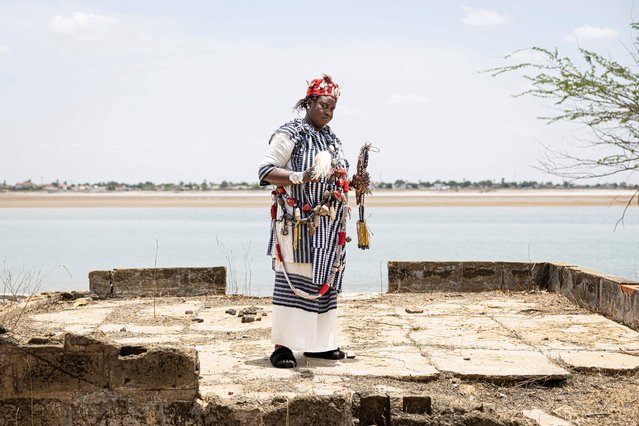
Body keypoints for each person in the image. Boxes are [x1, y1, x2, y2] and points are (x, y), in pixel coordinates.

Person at [258, 75, 349, 368]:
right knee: (295, 279)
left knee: (325, 279)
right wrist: (301, 176)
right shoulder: (291, 133)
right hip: (297, 224)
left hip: (328, 226)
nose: (328, 112)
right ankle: (282, 347)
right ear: (309, 102)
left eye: (332, 108)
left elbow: (339, 174)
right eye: (323, 105)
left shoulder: (331, 138)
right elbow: (265, 171)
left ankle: (319, 345)